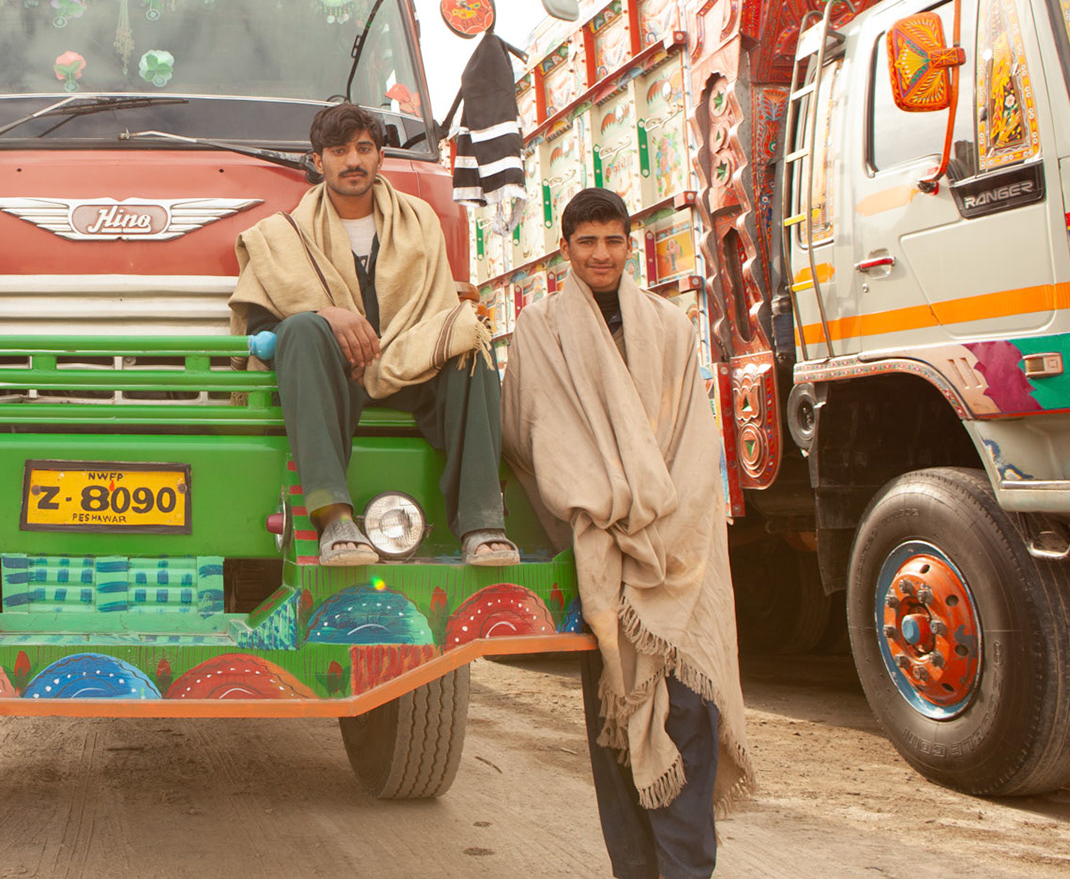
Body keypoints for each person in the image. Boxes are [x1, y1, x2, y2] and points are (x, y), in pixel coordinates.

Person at [501, 187, 753, 879]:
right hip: (600, 569)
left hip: (677, 561)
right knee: (615, 741)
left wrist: (655, 523)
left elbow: (693, 451)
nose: (602, 254)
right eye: (588, 242)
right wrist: (598, 508)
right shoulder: (540, 330)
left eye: (613, 241)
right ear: (565, 250)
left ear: (630, 245)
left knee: (688, 726)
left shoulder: (671, 328)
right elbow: (532, 439)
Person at [228, 101, 518, 566]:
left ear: (381, 157)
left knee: (472, 342)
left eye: (364, 148)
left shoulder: (420, 220)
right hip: (331, 381)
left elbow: (437, 308)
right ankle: (336, 519)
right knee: (301, 329)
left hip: (412, 368)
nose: (353, 161)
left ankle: (482, 524)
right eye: (339, 150)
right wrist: (327, 314)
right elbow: (263, 326)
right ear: (317, 161)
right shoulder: (283, 235)